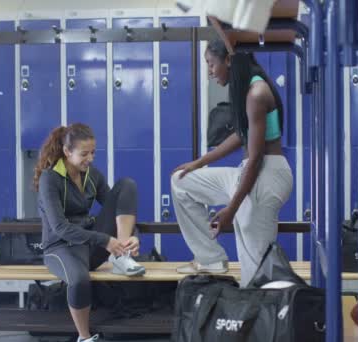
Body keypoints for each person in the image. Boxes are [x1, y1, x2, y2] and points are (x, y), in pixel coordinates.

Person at [171, 40, 293, 287]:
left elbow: (257, 158)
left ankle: (264, 318)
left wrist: (232, 209)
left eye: (210, 63)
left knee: (255, 271)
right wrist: (199, 163)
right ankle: (211, 258)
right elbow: (241, 135)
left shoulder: (256, 93)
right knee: (181, 181)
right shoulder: (247, 89)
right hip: (248, 172)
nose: (209, 71)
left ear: (228, 60)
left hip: (265, 175)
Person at [34, 123, 146, 342]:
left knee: (126, 185)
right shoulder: (50, 178)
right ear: (67, 152)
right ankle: (84, 337)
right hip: (60, 248)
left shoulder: (92, 175)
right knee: (78, 280)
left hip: (90, 247)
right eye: (84, 154)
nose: (91, 158)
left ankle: (123, 254)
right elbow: (60, 227)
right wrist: (104, 240)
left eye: (93, 153)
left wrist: (133, 236)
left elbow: (118, 208)